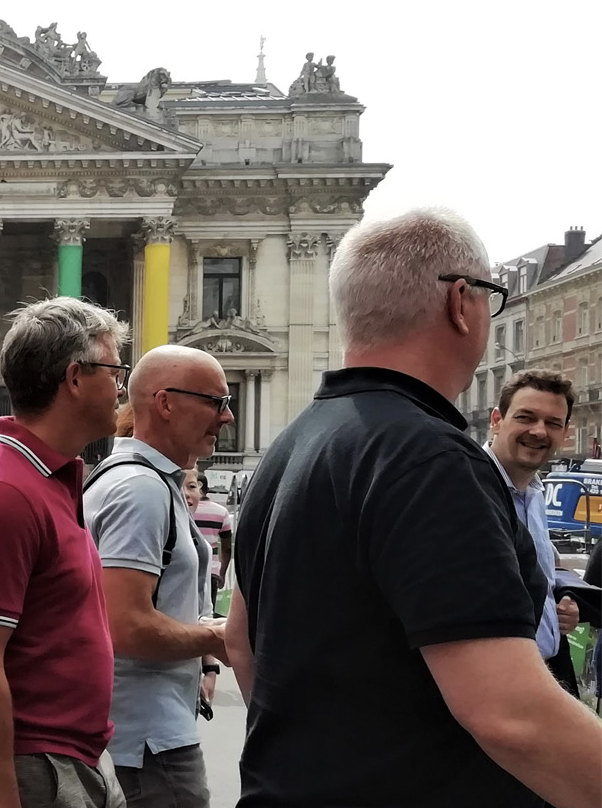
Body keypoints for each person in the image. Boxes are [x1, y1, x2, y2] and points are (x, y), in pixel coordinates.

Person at [226, 207, 602, 808]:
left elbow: (241, 643)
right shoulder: (431, 457)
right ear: (462, 301)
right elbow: (511, 715)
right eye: (491, 297)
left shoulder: (292, 444)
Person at [0, 296, 129, 808]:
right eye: (115, 370)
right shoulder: (2, 494)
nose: (121, 387)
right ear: (74, 378)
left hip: (66, 758)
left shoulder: (48, 480)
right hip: (31, 766)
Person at [82, 344, 232, 808]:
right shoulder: (141, 489)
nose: (226, 417)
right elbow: (127, 626)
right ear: (165, 403)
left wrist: (204, 653)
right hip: (145, 740)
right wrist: (216, 639)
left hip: (142, 732)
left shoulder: (138, 479)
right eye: (215, 401)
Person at [483, 369, 585, 696]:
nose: (539, 431)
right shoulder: (467, 487)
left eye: (553, 423)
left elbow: (535, 577)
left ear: (565, 431)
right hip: (494, 682)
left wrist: (560, 608)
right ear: (497, 420)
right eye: (526, 417)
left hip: (547, 669)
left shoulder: (536, 493)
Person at [184, 470, 232, 597]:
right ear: (208, 489)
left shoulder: (183, 509)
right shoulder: (221, 512)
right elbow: (227, 548)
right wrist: (222, 573)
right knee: (207, 613)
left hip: (184, 569)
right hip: (211, 571)